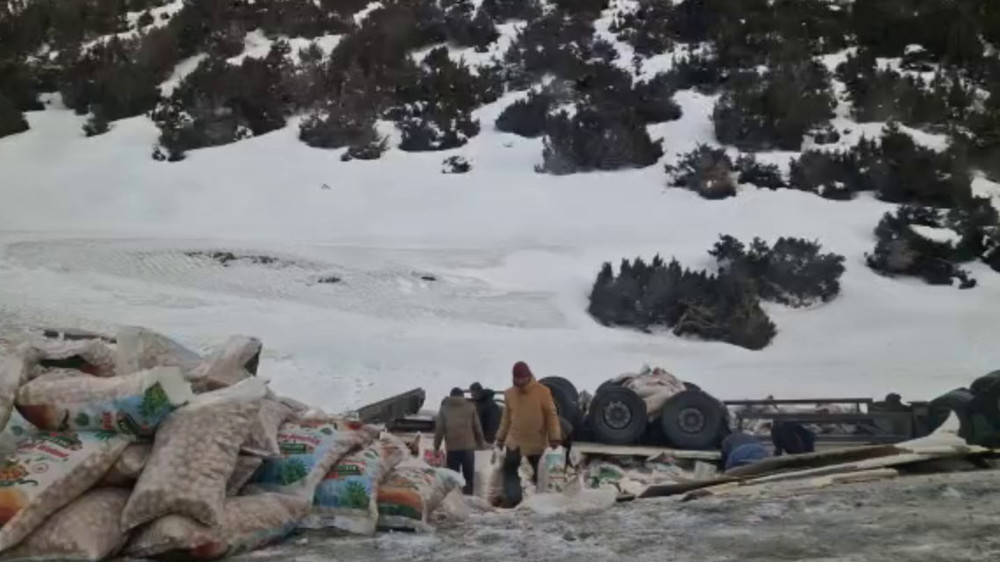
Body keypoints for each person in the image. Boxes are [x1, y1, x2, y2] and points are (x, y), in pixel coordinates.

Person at [496, 361, 562, 506]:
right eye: (517, 378)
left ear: (528, 376)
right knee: (510, 470)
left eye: (523, 378)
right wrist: (500, 438)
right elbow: (506, 419)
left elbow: (551, 415)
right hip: (514, 441)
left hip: (536, 441)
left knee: (539, 473)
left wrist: (554, 437)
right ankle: (514, 499)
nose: (520, 381)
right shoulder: (509, 393)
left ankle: (541, 501)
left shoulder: (542, 391)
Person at [434, 388, 485, 495]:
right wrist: (481, 443)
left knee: (453, 478)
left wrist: (436, 447)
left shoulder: (444, 408)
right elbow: (477, 427)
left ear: (450, 396)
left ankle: (454, 499)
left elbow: (439, 429)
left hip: (452, 448)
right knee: (468, 478)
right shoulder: (470, 406)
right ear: (462, 396)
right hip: (468, 448)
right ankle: (468, 498)